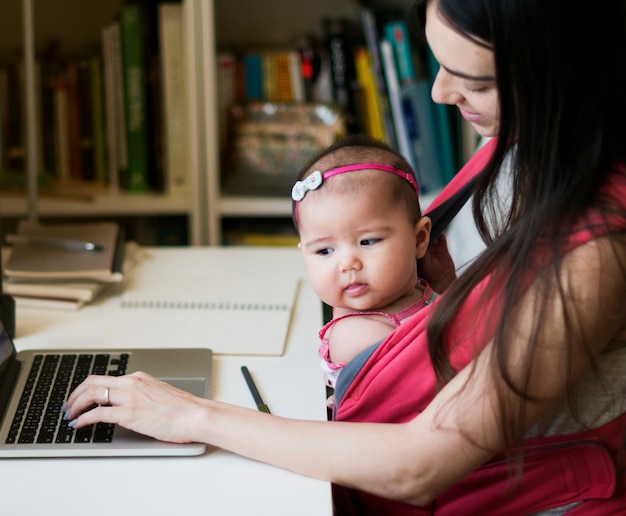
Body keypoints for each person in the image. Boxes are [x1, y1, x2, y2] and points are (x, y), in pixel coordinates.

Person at [65, 0, 626, 513]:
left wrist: (190, 414)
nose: (438, 93)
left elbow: (421, 464)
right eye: (440, 63)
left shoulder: (595, 255)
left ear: (560, 77)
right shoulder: (524, 144)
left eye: (474, 82)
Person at [291, 135, 435, 399]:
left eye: (368, 241)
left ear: (419, 238)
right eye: (324, 251)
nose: (347, 264)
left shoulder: (410, 294)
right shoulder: (359, 335)